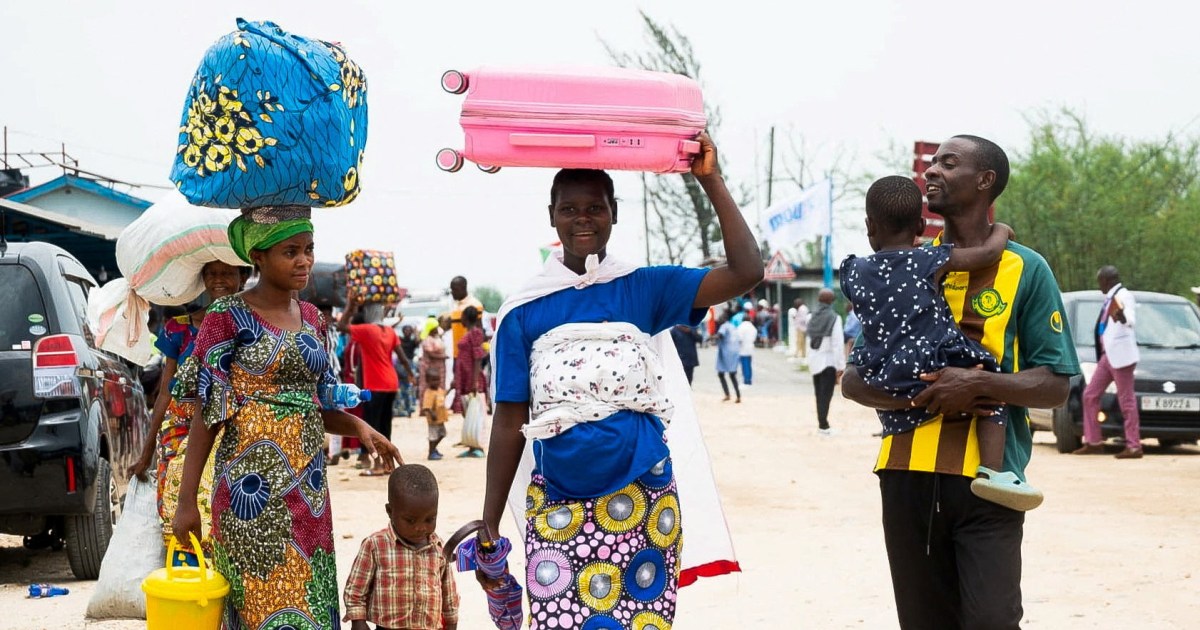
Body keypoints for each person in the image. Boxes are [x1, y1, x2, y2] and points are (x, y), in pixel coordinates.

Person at [478, 133, 759, 629]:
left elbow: (746, 271)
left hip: (644, 495)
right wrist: (490, 519)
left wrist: (710, 179)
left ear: (614, 212)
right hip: (557, 499)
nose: (582, 218)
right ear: (551, 215)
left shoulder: (644, 287)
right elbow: (509, 424)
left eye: (595, 207)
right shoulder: (523, 312)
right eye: (569, 208)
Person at [840, 135, 1078, 630]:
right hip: (905, 474)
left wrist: (974, 385)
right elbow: (857, 379)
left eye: (949, 163)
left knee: (993, 620)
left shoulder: (1026, 269)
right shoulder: (902, 267)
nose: (932, 171)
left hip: (990, 484)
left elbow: (1055, 385)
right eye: (931, 163)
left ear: (985, 181)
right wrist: (928, 392)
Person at [172, 208, 402, 630]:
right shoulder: (227, 315)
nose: (303, 261)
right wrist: (188, 501)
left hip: (310, 493)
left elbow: (319, 400)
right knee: (257, 605)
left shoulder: (314, 319)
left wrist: (361, 428)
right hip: (248, 495)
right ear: (257, 257)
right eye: (290, 251)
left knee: (310, 605)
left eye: (309, 250)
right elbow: (209, 414)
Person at [841, 175, 1041, 511]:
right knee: (989, 375)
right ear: (920, 225)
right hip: (931, 360)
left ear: (869, 226)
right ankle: (995, 473)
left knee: (899, 401)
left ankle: (905, 423)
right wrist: (1002, 231)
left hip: (883, 371)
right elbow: (985, 255)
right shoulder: (928, 261)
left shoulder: (854, 269)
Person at [129, 261, 247, 558]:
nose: (218, 279)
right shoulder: (179, 328)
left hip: (229, 426)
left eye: (227, 273)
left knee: (226, 506)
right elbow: (165, 392)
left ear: (243, 277)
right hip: (179, 428)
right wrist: (146, 451)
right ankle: (185, 583)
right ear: (201, 279)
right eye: (211, 273)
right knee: (175, 505)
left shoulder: (250, 327)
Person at [343, 464, 459, 630]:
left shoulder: (438, 548)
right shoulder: (376, 545)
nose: (421, 528)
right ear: (390, 511)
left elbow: (449, 594)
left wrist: (452, 623)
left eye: (429, 519)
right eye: (410, 520)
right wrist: (358, 621)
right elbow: (356, 589)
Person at [339, 290, 415, 477]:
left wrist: (350, 305)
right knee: (385, 425)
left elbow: (341, 325)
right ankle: (388, 464)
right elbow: (403, 357)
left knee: (372, 427)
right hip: (391, 383)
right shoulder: (389, 331)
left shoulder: (366, 331)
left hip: (375, 385)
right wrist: (411, 374)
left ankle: (378, 465)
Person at [1074, 266, 1142, 458]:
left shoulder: (1123, 295)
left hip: (1121, 357)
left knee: (1126, 400)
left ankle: (1134, 445)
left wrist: (1123, 318)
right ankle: (1094, 441)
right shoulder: (1109, 299)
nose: (1099, 286)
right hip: (1108, 356)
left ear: (1107, 280)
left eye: (1100, 282)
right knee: (1090, 395)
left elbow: (1130, 318)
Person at [806, 289, 845, 436]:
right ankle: (824, 426)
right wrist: (840, 366)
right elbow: (837, 344)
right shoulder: (834, 318)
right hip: (829, 362)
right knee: (826, 395)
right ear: (832, 301)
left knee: (818, 394)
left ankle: (821, 423)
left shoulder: (811, 317)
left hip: (815, 361)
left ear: (818, 300)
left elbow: (808, 340)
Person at [452, 305, 487, 458]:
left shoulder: (475, 333)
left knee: (475, 412)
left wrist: (474, 381)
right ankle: (471, 445)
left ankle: (477, 445)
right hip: (464, 375)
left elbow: (478, 357)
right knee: (468, 411)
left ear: (466, 318)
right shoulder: (470, 332)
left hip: (471, 376)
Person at [449, 275, 484, 359]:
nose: (452, 292)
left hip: (469, 356)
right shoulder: (455, 306)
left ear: (463, 288)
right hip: (456, 354)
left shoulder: (475, 305)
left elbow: (479, 330)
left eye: (454, 289)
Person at [420, 367, 450, 460]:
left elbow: (443, 395)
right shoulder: (429, 393)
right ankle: (431, 452)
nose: (436, 382)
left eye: (437, 379)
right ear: (427, 381)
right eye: (433, 380)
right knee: (433, 436)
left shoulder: (439, 390)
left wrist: (451, 388)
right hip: (433, 421)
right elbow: (426, 407)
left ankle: (433, 449)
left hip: (440, 419)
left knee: (442, 434)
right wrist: (431, 413)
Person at [715, 311, 742, 402]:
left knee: (722, 374)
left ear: (724, 318)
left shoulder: (723, 326)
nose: (718, 319)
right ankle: (738, 396)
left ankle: (727, 394)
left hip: (726, 352)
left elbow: (720, 335)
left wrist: (710, 338)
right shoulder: (732, 326)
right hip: (735, 352)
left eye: (720, 318)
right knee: (732, 374)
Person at [736, 312, 757, 385]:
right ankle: (749, 379)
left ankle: (746, 380)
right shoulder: (752, 327)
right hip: (750, 348)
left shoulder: (741, 327)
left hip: (743, 349)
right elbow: (754, 337)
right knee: (749, 364)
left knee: (744, 365)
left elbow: (739, 338)